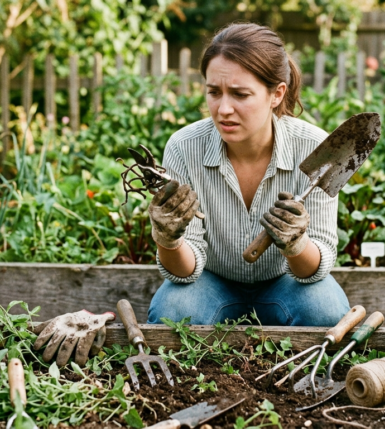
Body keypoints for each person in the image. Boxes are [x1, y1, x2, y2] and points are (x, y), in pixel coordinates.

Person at [146, 22, 350, 327]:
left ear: (277, 94)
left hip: (286, 285)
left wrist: (296, 244)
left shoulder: (314, 149)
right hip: (209, 284)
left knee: (326, 311)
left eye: (240, 94)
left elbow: (315, 268)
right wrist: (168, 239)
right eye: (214, 92)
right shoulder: (184, 147)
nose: (223, 108)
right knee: (171, 311)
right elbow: (183, 272)